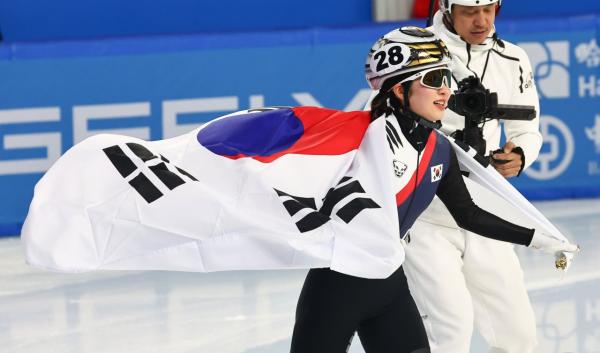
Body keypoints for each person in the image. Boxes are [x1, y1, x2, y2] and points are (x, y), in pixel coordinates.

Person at [289, 26, 574, 353]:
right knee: (451, 329)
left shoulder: (439, 147)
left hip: (391, 278)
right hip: (361, 267)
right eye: (435, 81)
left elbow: (469, 213)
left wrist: (540, 237)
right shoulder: (364, 135)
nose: (447, 93)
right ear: (399, 90)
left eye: (447, 81)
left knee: (516, 334)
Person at [401, 1, 544, 353]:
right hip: (426, 213)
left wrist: (520, 155)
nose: (481, 21)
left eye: (489, 10)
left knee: (518, 335)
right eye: (468, 11)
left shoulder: (513, 59)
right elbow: (379, 118)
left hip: (485, 208)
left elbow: (527, 129)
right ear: (447, 8)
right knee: (450, 331)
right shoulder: (410, 50)